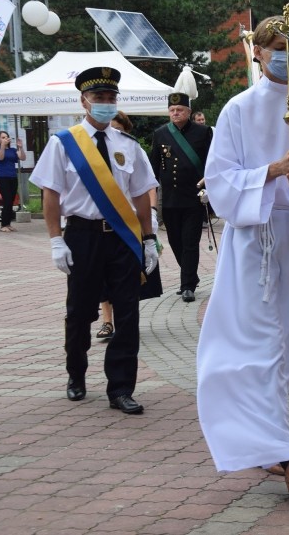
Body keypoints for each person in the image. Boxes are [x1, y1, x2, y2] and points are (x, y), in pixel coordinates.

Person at [195, 15, 289, 494]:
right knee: (255, 347)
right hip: (251, 240)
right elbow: (220, 180)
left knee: (285, 348)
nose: (286, 55)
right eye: (276, 46)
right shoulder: (238, 110)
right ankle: (285, 456)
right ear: (258, 53)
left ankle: (268, 444)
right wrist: (273, 171)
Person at [29, 66, 158, 414]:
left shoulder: (128, 145)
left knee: (127, 313)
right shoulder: (63, 143)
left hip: (121, 237)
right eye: (99, 97)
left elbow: (142, 195)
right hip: (83, 235)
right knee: (80, 311)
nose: (106, 103)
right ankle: (76, 374)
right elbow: (51, 195)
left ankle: (120, 389)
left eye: (111, 97)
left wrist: (149, 239)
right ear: (84, 101)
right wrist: (56, 240)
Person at [96, 111, 163, 340]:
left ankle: (126, 320)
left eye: (118, 129)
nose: (113, 132)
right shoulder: (91, 150)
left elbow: (148, 187)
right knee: (102, 277)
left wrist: (152, 215)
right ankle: (107, 321)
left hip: (129, 223)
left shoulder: (133, 149)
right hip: (101, 224)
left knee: (128, 278)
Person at [150, 93, 213, 303]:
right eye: (172, 110)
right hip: (169, 198)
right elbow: (154, 168)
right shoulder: (160, 134)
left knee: (190, 243)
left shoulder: (203, 133)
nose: (175, 113)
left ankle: (187, 285)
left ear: (188, 112)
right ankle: (191, 275)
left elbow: (211, 162)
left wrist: (209, 187)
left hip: (193, 197)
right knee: (175, 242)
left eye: (179, 110)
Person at [0, 131, 26, 233]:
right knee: (6, 200)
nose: (5, 139)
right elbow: (1, 157)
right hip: (2, 178)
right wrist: (2, 146)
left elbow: (23, 158)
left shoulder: (12, 150)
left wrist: (21, 147)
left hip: (12, 177)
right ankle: (3, 225)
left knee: (11, 201)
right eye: (3, 137)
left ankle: (8, 224)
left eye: (6, 137)